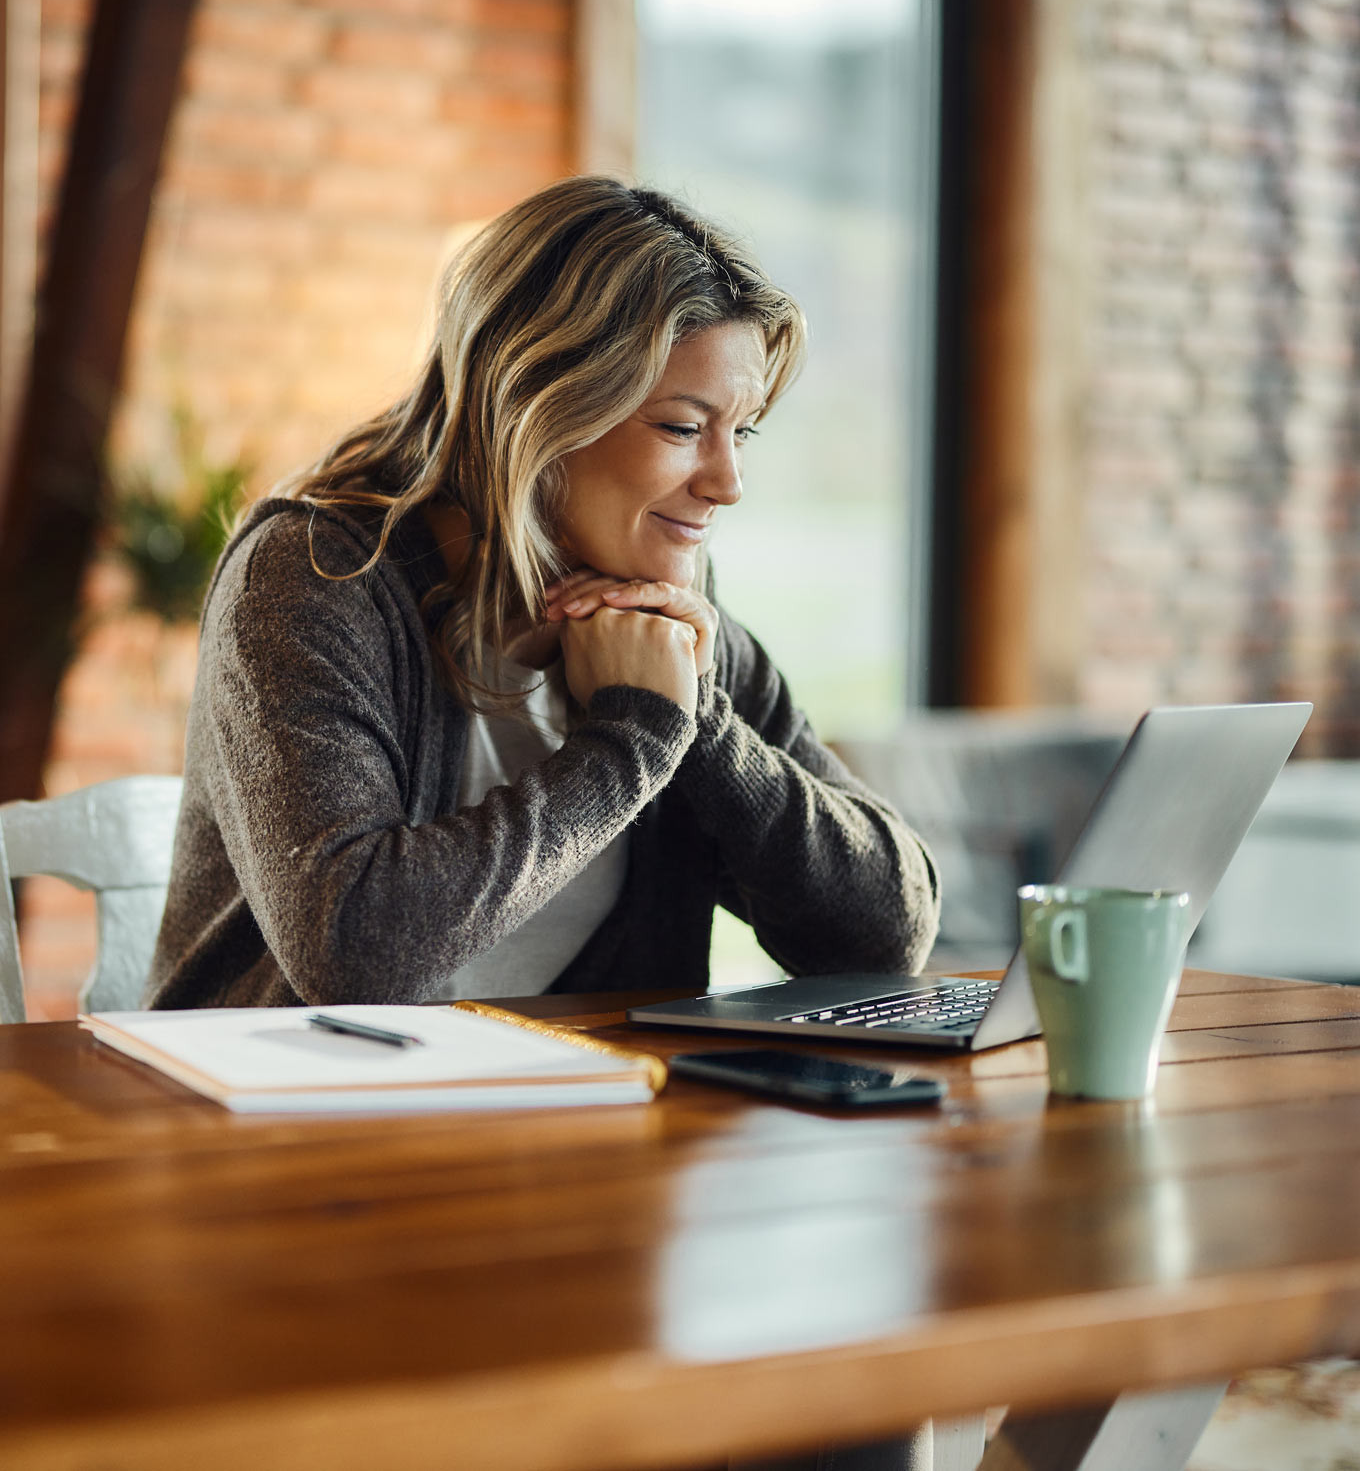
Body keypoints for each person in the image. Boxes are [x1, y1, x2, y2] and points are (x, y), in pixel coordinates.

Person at [145, 175, 939, 1011]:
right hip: (287, 1123)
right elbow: (356, 954)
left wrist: (697, 722)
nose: (728, 483)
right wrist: (632, 739)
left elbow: (888, 930)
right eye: (681, 427)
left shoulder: (670, 616)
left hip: (576, 1124)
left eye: (739, 432)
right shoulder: (312, 579)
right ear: (536, 406)